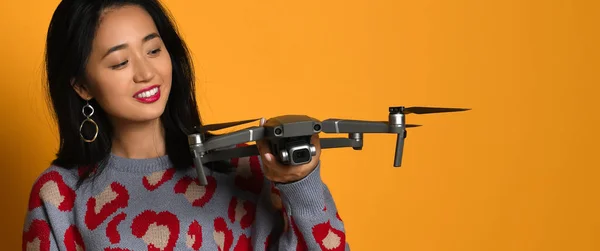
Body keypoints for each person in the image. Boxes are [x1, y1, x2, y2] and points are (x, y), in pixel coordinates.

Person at [22, 0, 349, 250]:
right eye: (120, 62)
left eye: (153, 49)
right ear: (82, 86)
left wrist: (300, 186)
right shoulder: (60, 195)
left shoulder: (248, 166)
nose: (146, 73)